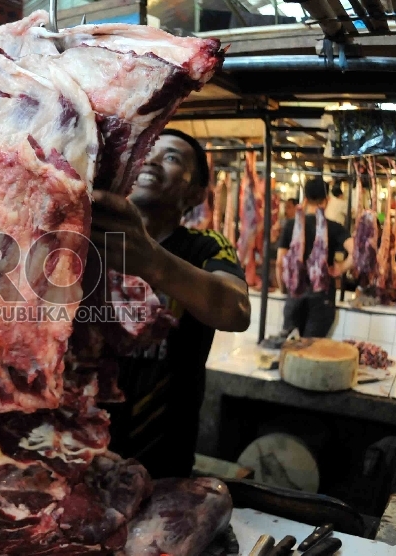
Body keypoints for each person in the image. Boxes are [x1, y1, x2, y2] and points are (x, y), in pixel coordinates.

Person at [92, 129, 251, 479]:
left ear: (196, 194)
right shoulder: (88, 236)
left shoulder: (206, 247)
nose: (151, 159)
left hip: (161, 461)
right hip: (80, 447)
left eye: (172, 157)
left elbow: (236, 310)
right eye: (147, 151)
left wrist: (153, 261)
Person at [276, 178, 354, 338]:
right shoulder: (334, 227)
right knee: (312, 348)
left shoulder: (291, 225)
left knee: (291, 346)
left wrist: (284, 288)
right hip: (322, 297)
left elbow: (280, 262)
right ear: (326, 201)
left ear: (305, 199)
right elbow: (357, 251)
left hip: (295, 295)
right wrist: (340, 268)